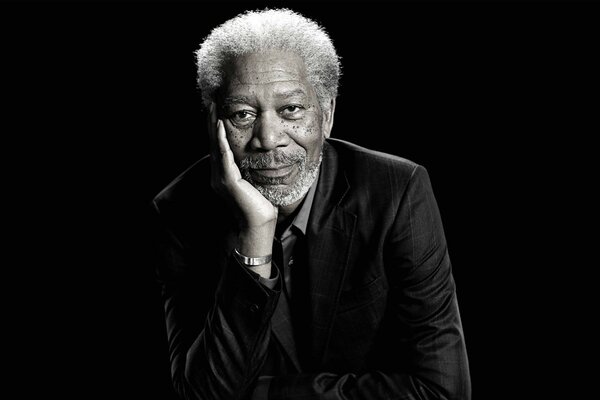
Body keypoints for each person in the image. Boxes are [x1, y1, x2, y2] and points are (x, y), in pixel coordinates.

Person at [150, 8, 471, 400]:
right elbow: (203, 394)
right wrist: (254, 239)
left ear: (327, 114)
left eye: (290, 110)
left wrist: (270, 395)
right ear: (213, 122)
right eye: (242, 114)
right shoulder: (178, 210)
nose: (268, 138)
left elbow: (443, 389)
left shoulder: (396, 192)